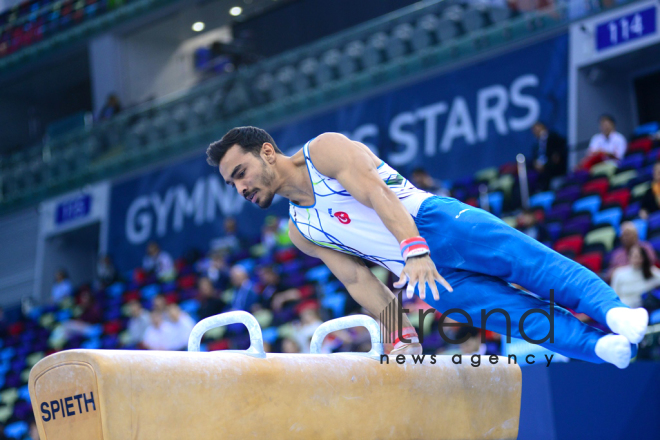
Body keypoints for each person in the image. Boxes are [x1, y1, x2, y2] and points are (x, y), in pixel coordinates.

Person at [207, 127, 649, 369]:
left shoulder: (323, 151)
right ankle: (598, 349)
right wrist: (400, 331)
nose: (240, 187)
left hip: (437, 226)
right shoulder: (302, 230)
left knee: (535, 267)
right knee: (520, 318)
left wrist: (415, 246)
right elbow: (360, 280)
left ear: (267, 152)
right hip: (425, 276)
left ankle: (614, 313)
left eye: (241, 172)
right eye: (232, 184)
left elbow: (376, 194)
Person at [530, 122, 567, 191]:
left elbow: (557, 156)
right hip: (542, 175)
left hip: (555, 172)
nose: (535, 131)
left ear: (543, 127)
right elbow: (535, 158)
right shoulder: (536, 146)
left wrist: (545, 165)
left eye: (537, 128)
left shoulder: (553, 137)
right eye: (534, 130)